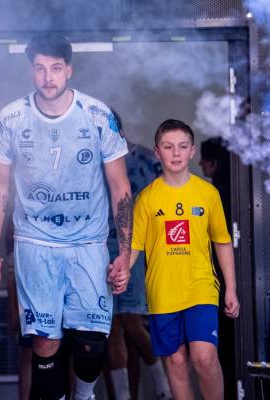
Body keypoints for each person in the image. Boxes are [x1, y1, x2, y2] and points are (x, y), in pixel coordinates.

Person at [0, 34, 132, 400]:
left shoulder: (98, 115)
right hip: (35, 243)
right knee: (44, 343)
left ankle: (84, 394)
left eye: (55, 68)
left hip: (87, 243)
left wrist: (125, 252)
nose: (48, 77)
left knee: (92, 342)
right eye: (40, 68)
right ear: (30, 70)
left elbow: (120, 187)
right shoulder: (11, 117)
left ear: (69, 70)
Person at [129, 119, 240, 400]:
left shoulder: (208, 194)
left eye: (182, 146)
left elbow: (222, 241)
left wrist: (231, 288)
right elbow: (134, 247)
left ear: (192, 152)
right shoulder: (146, 199)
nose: (176, 153)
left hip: (200, 288)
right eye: (168, 147)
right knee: (176, 360)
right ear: (157, 152)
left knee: (204, 357)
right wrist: (121, 271)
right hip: (162, 293)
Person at [106, 113, 171, 400]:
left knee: (132, 323)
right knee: (111, 327)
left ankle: (164, 389)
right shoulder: (92, 163)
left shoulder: (145, 159)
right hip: (100, 251)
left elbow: (166, 203)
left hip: (135, 251)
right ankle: (123, 395)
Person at [199, 137, 236, 399]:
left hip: (218, 282)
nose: (200, 164)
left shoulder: (213, 195)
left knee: (221, 349)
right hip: (232, 281)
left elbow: (218, 243)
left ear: (212, 163)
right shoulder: (235, 190)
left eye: (203, 160)